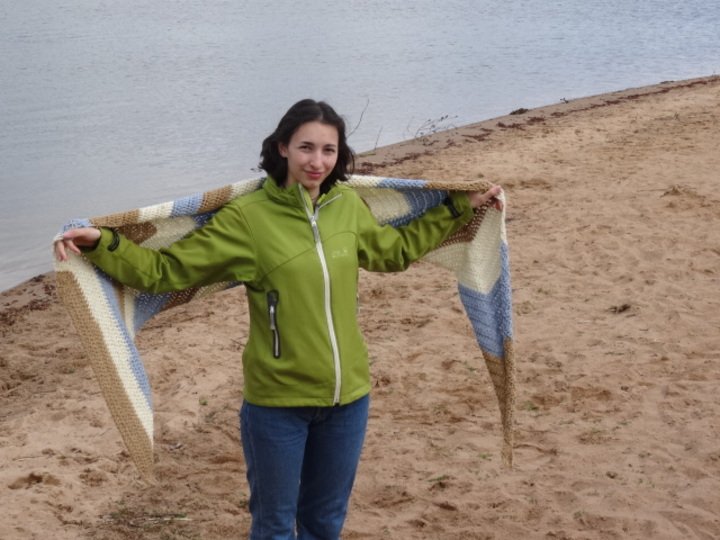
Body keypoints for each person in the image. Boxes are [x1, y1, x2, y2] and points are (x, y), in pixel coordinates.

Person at [54, 99, 502, 540]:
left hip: (348, 400)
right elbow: (165, 272)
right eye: (306, 147)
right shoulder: (248, 218)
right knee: (273, 528)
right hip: (277, 406)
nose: (317, 161)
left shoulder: (347, 205)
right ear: (283, 147)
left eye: (328, 150)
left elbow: (395, 252)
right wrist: (102, 243)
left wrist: (458, 208)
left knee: (325, 523)